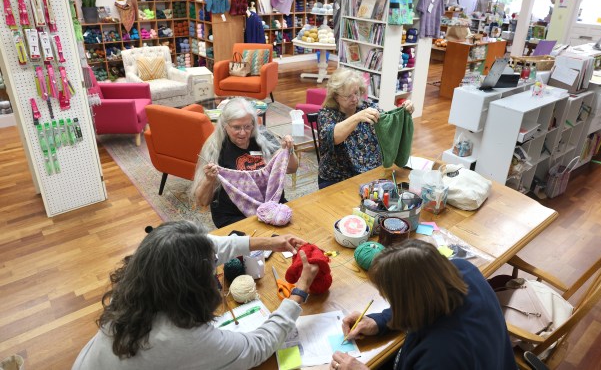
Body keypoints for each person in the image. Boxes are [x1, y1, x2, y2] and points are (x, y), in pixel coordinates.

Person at [72, 220, 318, 370]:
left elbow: (203, 246)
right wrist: (298, 293)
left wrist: (268, 243)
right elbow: (257, 347)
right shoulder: (183, 339)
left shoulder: (135, 286)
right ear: (195, 285)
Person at [330, 240, 517, 370]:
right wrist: (379, 321)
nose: (382, 295)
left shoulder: (441, 355)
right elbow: (423, 299)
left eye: (389, 296)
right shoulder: (463, 270)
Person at [191, 98, 298, 227]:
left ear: (253, 123)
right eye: (236, 127)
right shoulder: (215, 148)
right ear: (225, 126)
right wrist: (209, 180)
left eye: (247, 126)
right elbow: (202, 201)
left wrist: (289, 151)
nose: (243, 133)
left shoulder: (264, 137)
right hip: (235, 216)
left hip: (273, 207)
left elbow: (291, 169)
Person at [317, 68, 413, 189]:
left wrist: (404, 111)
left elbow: (389, 124)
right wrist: (357, 117)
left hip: (370, 174)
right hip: (337, 179)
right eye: (348, 96)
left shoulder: (368, 107)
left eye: (356, 93)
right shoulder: (326, 114)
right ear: (335, 96)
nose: (355, 99)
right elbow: (333, 137)